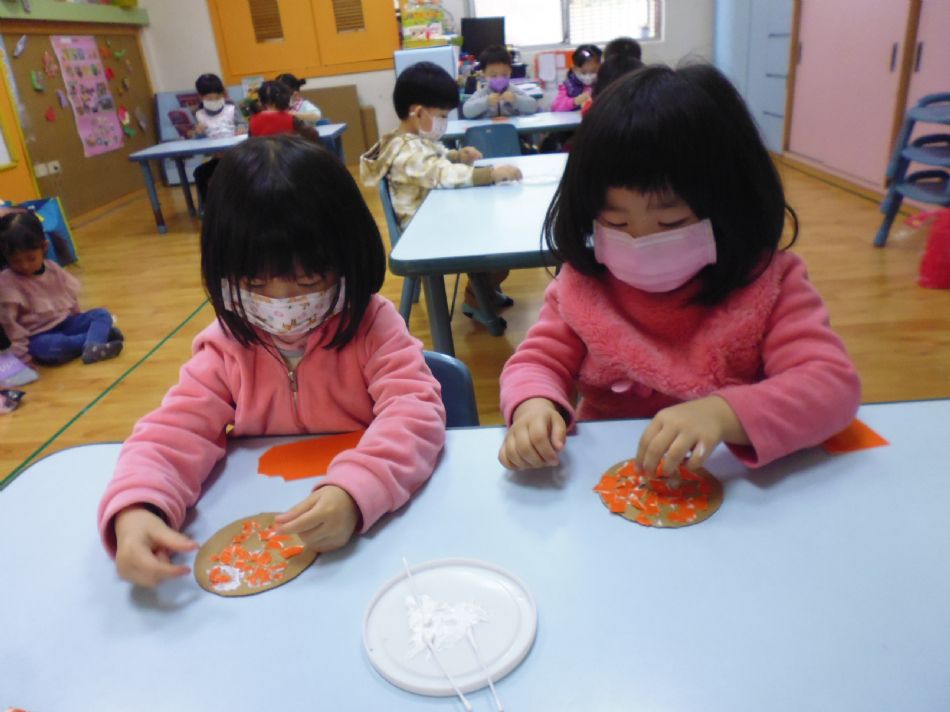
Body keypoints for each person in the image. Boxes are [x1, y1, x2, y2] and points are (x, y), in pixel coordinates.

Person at [98, 136, 446, 588]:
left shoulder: (373, 327)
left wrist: (357, 490)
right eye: (254, 283)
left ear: (348, 260)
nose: (282, 302)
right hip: (266, 537)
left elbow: (415, 413)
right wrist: (139, 505)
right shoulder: (226, 345)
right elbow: (175, 430)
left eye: (308, 280)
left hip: (368, 544)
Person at [498, 64, 861, 476]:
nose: (639, 240)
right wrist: (534, 406)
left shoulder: (768, 283)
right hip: (606, 472)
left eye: (671, 222)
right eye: (616, 222)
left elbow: (831, 386)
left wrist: (723, 414)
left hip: (729, 478)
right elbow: (536, 362)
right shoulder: (584, 284)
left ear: (730, 205)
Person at [360, 62, 523, 325]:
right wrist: (490, 174)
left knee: (489, 227)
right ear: (418, 112)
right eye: (443, 116)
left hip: (431, 218)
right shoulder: (407, 150)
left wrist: (457, 156)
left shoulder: (409, 141)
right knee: (497, 243)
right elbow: (440, 174)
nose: (445, 123)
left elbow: (433, 160)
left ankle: (485, 291)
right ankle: (476, 298)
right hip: (424, 232)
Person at [0, 210, 122, 366]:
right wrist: (23, 359)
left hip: (66, 324)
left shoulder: (52, 268)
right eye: (16, 261)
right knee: (50, 347)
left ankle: (92, 345)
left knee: (101, 314)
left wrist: (78, 318)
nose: (24, 266)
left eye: (31, 258)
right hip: (39, 336)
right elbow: (10, 326)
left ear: (44, 247)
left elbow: (70, 297)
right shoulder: (6, 282)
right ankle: (95, 339)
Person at [191, 73, 246, 205]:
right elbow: (199, 140)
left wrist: (241, 128)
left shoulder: (231, 108)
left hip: (236, 157)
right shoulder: (199, 114)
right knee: (199, 173)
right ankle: (208, 207)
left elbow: (242, 124)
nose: (214, 101)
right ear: (200, 97)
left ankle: (243, 203)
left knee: (241, 174)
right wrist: (198, 133)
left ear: (223, 94)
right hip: (218, 159)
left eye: (218, 97)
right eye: (209, 98)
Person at [462, 44, 538, 119]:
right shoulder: (483, 92)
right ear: (484, 74)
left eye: (504, 74)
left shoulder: (513, 90)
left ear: (510, 71)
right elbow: (466, 111)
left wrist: (515, 99)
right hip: (489, 127)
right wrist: (486, 102)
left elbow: (533, 106)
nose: (499, 79)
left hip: (510, 127)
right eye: (493, 76)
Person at [248, 81, 322, 145]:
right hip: (289, 156)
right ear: (286, 98)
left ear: (261, 100)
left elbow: (250, 143)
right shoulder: (290, 118)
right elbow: (313, 135)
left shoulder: (253, 119)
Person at [550, 44, 602, 112]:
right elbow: (555, 108)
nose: (589, 77)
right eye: (584, 73)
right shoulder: (568, 86)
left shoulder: (603, 83)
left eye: (593, 72)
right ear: (575, 69)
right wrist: (574, 101)